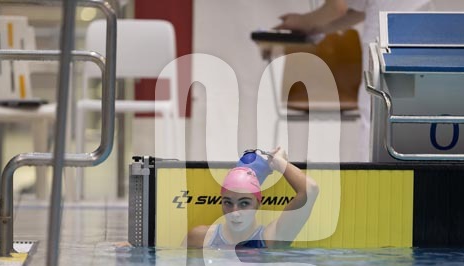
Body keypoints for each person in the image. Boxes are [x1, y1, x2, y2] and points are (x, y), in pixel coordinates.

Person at [275, 0, 434, 161]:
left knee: (376, 119)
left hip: (387, 39)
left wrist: (303, 21)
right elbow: (361, 8)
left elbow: (337, 7)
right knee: (399, 120)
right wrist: (317, 28)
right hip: (414, 31)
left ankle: (375, 174)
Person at [185, 146, 319, 249]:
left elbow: (310, 190)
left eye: (244, 204)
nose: (235, 213)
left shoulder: (270, 239)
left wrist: (279, 162)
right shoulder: (200, 238)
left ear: (258, 203)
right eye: (228, 203)